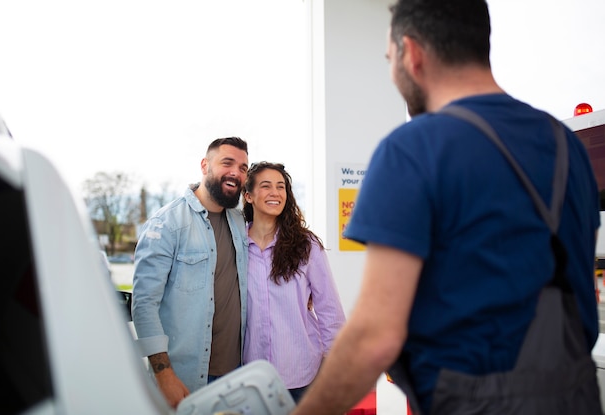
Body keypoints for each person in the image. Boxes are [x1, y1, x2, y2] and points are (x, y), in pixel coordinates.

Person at [292, 1, 601, 414]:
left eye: (390, 59)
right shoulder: (568, 146)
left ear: (412, 53)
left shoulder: (414, 147)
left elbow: (373, 337)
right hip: (574, 398)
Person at [131, 136, 249, 409]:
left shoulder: (241, 222)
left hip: (236, 374)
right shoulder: (167, 223)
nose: (236, 172)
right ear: (205, 165)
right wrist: (164, 375)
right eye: (227, 163)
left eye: (243, 167)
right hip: (185, 379)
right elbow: (144, 304)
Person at [241, 161, 346, 403]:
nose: (275, 193)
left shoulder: (306, 245)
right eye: (266, 186)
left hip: (302, 374)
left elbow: (329, 308)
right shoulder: (236, 245)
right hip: (252, 374)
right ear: (248, 196)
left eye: (281, 187)